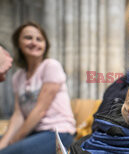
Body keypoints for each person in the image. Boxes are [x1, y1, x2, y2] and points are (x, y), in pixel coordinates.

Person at [0, 22, 76, 154]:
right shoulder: (18, 76)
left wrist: (15, 140)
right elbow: (18, 115)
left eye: (39, 39)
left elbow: (40, 110)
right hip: (33, 132)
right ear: (18, 43)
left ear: (45, 45)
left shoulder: (51, 66)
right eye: (28, 38)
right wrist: (4, 142)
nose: (34, 42)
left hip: (58, 132)